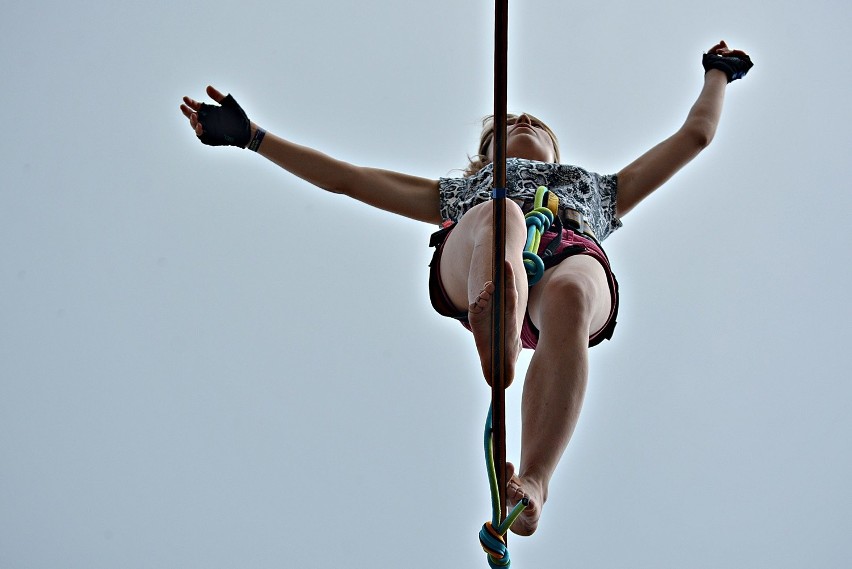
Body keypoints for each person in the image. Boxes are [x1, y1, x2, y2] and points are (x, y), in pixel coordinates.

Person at [180, 40, 753, 537]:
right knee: (499, 209)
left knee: (577, 291)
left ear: (557, 151)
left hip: (566, 254)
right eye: (509, 125)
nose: (523, 119)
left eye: (535, 124)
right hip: (481, 247)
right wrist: (254, 138)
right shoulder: (461, 190)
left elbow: (696, 136)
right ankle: (498, 320)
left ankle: (533, 484)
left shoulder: (601, 190)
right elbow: (347, 179)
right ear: (485, 153)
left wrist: (717, 73)